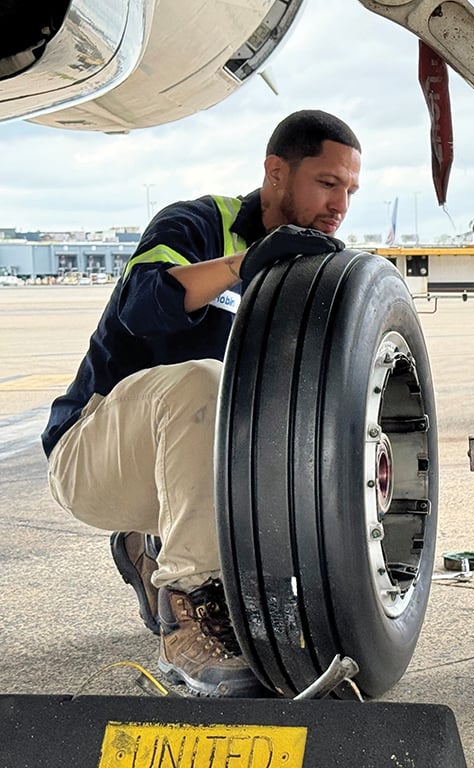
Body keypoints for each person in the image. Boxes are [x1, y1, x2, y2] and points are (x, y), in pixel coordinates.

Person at [41, 109, 362, 697]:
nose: (340, 203)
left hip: (184, 469)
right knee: (202, 382)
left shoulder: (306, 272)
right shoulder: (197, 222)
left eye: (349, 189)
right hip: (91, 453)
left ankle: (153, 551)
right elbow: (141, 305)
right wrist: (243, 266)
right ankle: (184, 614)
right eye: (326, 182)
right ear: (275, 172)